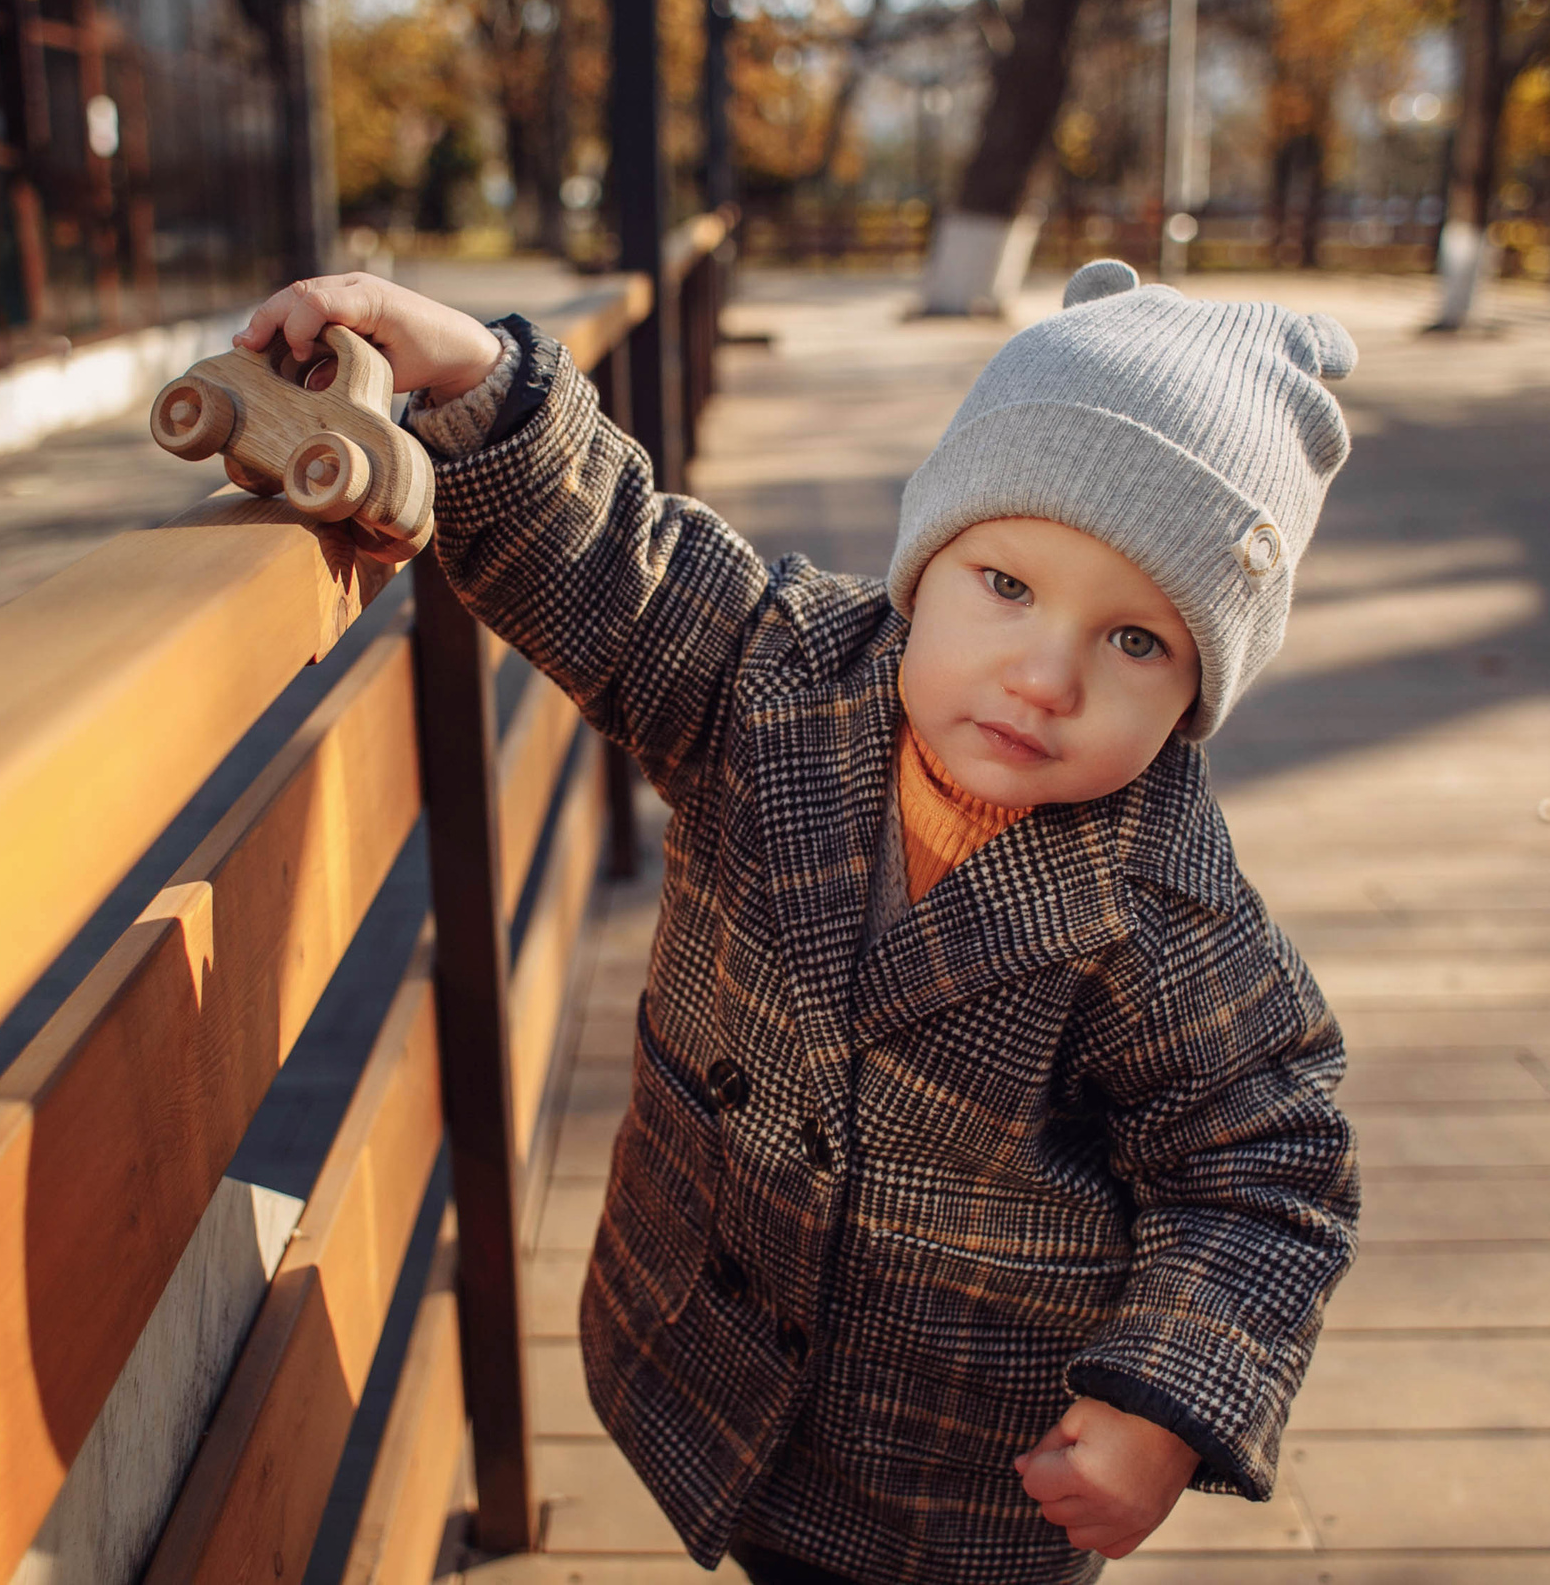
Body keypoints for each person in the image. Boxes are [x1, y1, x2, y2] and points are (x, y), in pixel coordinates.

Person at [233, 258, 1362, 1585]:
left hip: (952, 1471)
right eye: (1006, 583)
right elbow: (615, 561)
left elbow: (1265, 1162)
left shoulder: (1164, 911)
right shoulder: (772, 681)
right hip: (696, 1345)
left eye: (1136, 644)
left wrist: (1166, 1401)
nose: (1045, 675)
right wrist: (472, 374)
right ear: (928, 559)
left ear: (1196, 691)